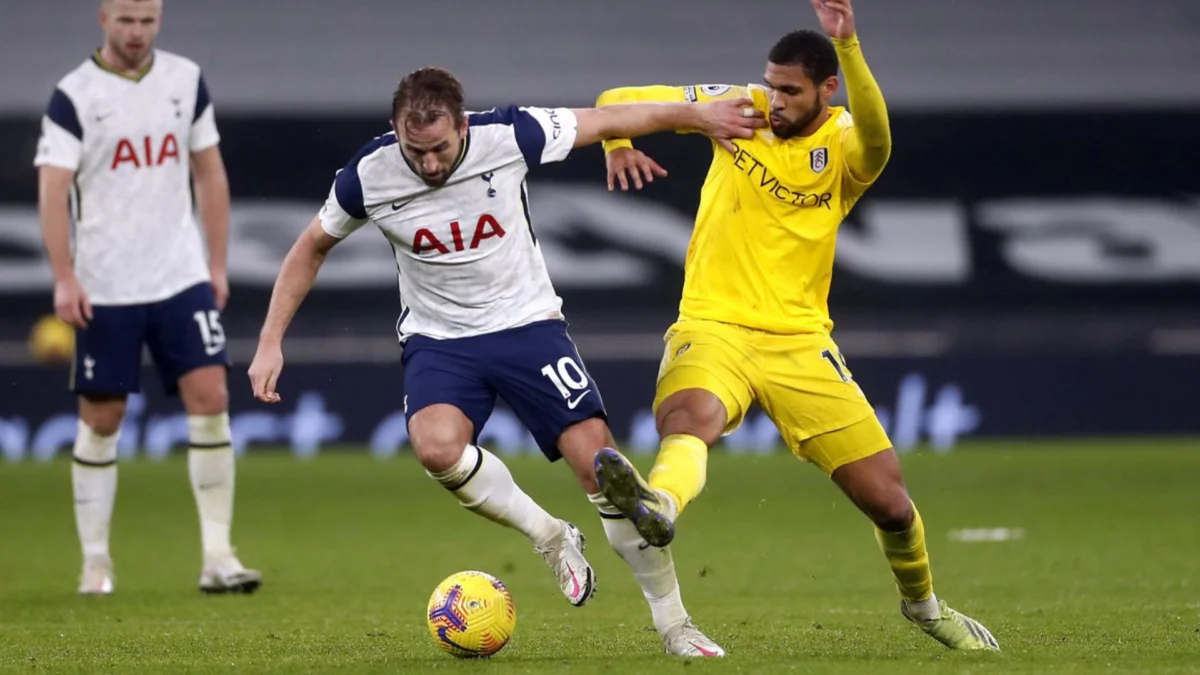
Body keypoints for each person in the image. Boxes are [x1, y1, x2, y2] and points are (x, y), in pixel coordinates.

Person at [247, 66, 763, 656]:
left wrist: (696, 116)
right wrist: (270, 341)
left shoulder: (509, 135)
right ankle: (549, 536)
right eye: (417, 151)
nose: (431, 164)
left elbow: (611, 119)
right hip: (440, 340)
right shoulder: (369, 174)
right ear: (396, 131)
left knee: (604, 470)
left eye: (441, 148)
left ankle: (675, 626)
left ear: (462, 126)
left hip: (527, 329)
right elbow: (310, 246)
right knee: (435, 447)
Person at [590, 0, 999, 651]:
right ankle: (658, 507)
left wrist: (851, 43)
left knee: (890, 503)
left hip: (802, 344)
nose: (771, 101)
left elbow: (879, 136)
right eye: (769, 84)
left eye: (789, 90)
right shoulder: (738, 107)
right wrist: (618, 141)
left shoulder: (842, 149)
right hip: (714, 324)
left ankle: (923, 606)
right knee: (689, 416)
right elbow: (618, 97)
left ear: (825, 89)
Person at [34, 0, 260, 595]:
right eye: (126, 20)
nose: (137, 32)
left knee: (211, 393)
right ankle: (96, 563)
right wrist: (65, 276)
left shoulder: (185, 80)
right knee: (103, 415)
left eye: (148, 20)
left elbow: (209, 173)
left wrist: (215, 261)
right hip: (106, 283)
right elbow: (53, 191)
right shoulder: (75, 94)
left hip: (179, 274)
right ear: (103, 19)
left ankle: (219, 555)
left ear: (159, 20)